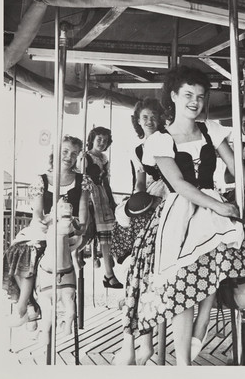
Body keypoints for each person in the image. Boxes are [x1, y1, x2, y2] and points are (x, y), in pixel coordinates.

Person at [119, 66, 245, 366]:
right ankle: (182, 360)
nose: (195, 102)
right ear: (174, 96)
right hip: (180, 209)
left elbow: (236, 167)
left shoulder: (213, 130)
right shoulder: (159, 139)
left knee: (223, 258)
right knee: (183, 279)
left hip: (212, 206)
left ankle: (203, 324)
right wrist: (217, 205)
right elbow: (179, 184)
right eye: (188, 95)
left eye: (200, 96)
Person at [3, 135, 91, 329]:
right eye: (65, 151)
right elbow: (38, 215)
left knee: (36, 248)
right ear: (56, 153)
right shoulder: (42, 180)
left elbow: (83, 216)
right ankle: (27, 304)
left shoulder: (82, 180)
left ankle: (23, 308)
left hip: (70, 226)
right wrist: (52, 218)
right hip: (46, 225)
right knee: (19, 250)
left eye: (74, 153)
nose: (69, 156)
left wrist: (75, 225)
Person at [112, 97, 168, 365]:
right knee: (124, 216)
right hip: (151, 192)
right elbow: (139, 178)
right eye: (144, 117)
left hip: (170, 188)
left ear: (160, 118)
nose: (148, 121)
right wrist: (138, 195)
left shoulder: (168, 140)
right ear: (138, 121)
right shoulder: (137, 149)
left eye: (152, 116)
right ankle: (129, 259)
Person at [85, 126, 122, 289]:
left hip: (102, 197)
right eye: (99, 139)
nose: (101, 143)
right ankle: (108, 272)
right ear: (92, 139)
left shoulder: (104, 158)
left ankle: (109, 269)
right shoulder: (85, 157)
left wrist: (112, 201)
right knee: (101, 234)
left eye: (105, 141)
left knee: (109, 234)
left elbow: (105, 181)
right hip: (90, 197)